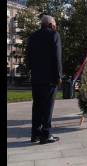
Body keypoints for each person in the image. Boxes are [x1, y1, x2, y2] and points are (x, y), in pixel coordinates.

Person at [27, 15, 62, 144]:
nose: (56, 26)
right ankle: (45, 135)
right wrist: (58, 76)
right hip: (49, 80)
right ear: (51, 25)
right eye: (55, 24)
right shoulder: (54, 35)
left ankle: (35, 134)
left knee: (36, 107)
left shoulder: (33, 36)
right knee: (47, 108)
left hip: (36, 79)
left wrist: (32, 71)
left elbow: (28, 57)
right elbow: (57, 57)